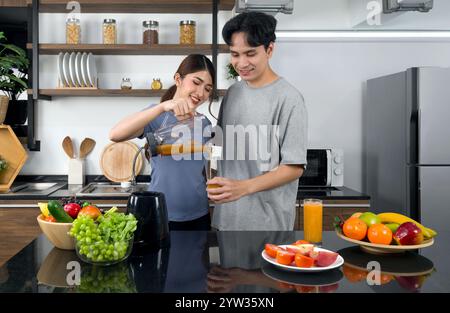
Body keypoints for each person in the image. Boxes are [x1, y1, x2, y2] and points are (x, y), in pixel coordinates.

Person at [207, 12, 308, 230]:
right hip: (226, 221)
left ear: (269, 49)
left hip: (267, 225)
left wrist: (242, 188)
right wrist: (211, 173)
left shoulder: (289, 98)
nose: (241, 63)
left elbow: (294, 167)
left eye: (250, 53)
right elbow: (219, 145)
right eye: (235, 54)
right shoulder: (232, 93)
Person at [110, 54, 215, 231]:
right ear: (178, 79)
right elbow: (115, 134)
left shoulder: (204, 123)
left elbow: (203, 171)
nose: (201, 93)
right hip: (161, 213)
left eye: (207, 88)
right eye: (196, 83)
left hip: (199, 215)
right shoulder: (156, 115)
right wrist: (162, 107)